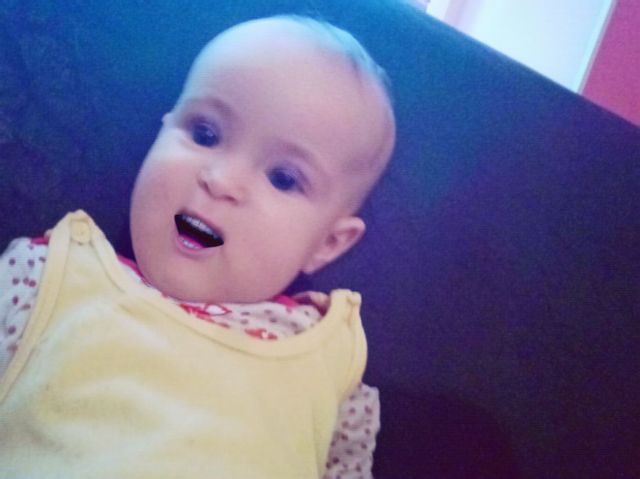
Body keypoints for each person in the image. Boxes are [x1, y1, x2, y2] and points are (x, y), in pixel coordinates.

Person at [0, 14, 396, 479]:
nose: (221, 180)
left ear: (328, 243)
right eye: (205, 134)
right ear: (162, 131)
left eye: (283, 178)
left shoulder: (328, 357)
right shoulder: (46, 277)